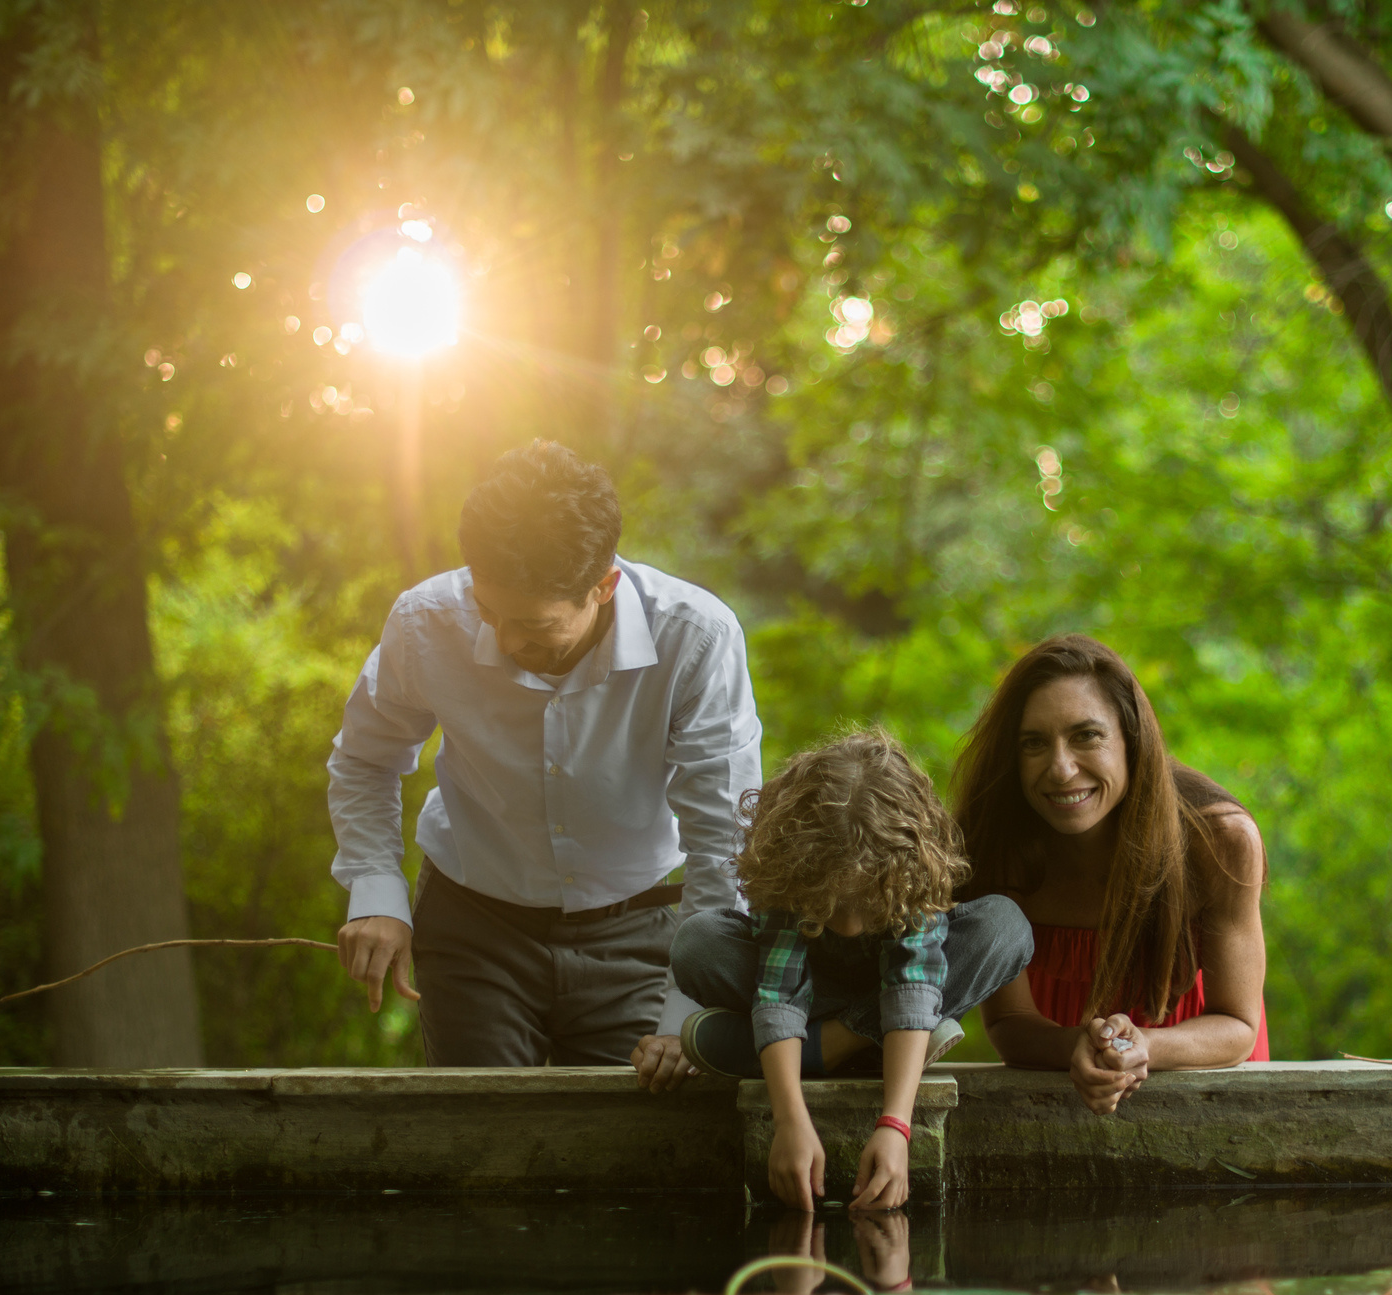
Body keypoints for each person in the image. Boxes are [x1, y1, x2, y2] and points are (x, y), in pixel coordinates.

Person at [325, 441, 761, 1080]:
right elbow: (366, 757)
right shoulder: (424, 623)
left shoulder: (696, 639)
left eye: (531, 624)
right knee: (483, 1145)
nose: (502, 640)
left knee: (631, 1150)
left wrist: (689, 1007)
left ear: (604, 585)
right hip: (472, 926)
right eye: (487, 609)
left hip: (640, 934)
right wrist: (375, 891)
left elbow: (724, 839)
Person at [667, 730, 1033, 1211]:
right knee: (698, 942)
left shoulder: (907, 870)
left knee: (1004, 926)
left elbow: (913, 986)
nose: (849, 924)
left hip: (899, 995)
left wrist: (896, 1126)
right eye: (831, 905)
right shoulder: (793, 867)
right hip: (812, 992)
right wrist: (790, 1121)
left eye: (866, 905)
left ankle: (825, 1046)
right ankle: (882, 1041)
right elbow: (778, 993)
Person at [955, 635, 1268, 1113]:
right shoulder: (994, 848)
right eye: (1034, 743)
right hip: (1059, 1093)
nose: (1060, 769)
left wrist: (1142, 1047)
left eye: (1086, 735)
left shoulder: (1218, 841)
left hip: (1206, 1087)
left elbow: (1238, 1026)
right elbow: (1009, 1024)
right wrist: (1077, 1050)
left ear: (1132, 740)